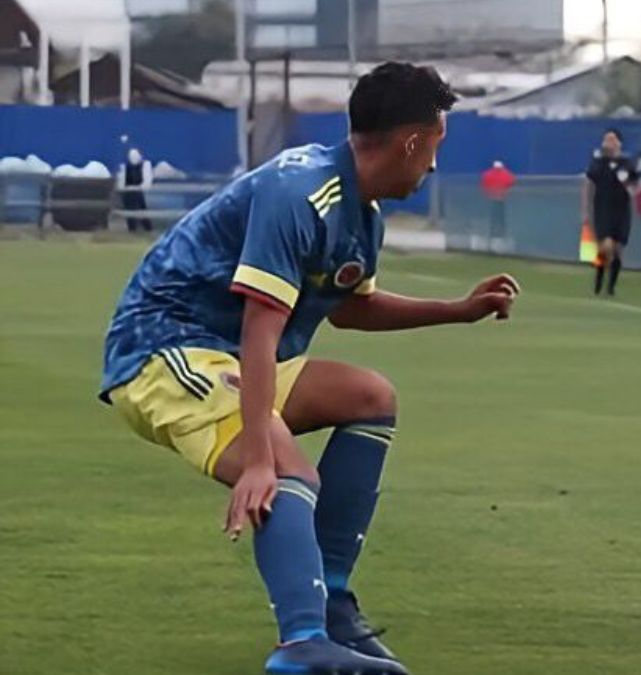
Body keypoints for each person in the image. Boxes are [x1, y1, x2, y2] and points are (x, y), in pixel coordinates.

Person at [99, 62, 521, 675]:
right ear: (411, 142)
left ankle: (332, 604)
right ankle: (301, 644)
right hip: (164, 351)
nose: (433, 165)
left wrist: (457, 310)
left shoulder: (361, 213)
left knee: (369, 396)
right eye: (435, 145)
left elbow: (350, 307)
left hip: (233, 355)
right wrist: (259, 461)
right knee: (286, 468)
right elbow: (260, 329)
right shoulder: (299, 191)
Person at [582, 129, 638, 296]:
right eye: (606, 140)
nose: (609, 143)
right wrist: (586, 209)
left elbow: (634, 188)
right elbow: (588, 184)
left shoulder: (627, 163)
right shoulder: (597, 163)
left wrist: (627, 183)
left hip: (621, 211)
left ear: (619, 143)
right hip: (603, 209)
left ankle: (611, 286)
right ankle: (599, 279)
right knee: (605, 247)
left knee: (618, 249)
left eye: (612, 140)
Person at [481, 159, 516, 248]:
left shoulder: (487, 174)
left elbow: (484, 183)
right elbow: (512, 181)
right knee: (501, 218)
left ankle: (492, 234)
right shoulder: (506, 174)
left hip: (491, 199)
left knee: (493, 218)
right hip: (502, 199)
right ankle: (502, 234)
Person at [119, 147, 153, 233]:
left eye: (135, 156)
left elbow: (147, 184)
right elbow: (121, 185)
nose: (133, 158)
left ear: (140, 156)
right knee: (129, 198)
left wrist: (135, 188)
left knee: (137, 197)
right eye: (131, 156)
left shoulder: (145, 165)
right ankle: (133, 228)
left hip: (141, 193)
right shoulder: (124, 167)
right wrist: (128, 188)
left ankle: (145, 228)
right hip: (128, 194)